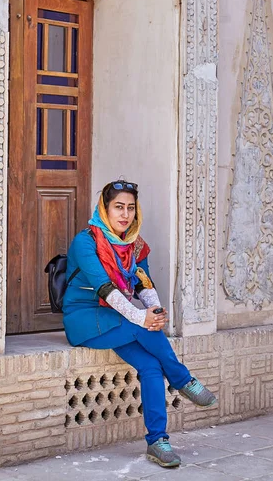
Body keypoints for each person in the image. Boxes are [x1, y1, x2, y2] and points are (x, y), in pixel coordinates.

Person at [63, 180, 217, 468]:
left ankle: (158, 442)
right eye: (118, 207)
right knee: (139, 326)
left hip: (114, 317)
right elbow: (104, 287)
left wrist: (154, 310)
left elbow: (143, 281)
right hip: (84, 318)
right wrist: (142, 318)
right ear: (105, 209)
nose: (125, 214)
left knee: (151, 366)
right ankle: (184, 380)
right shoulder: (86, 241)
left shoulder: (134, 244)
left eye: (130, 208)